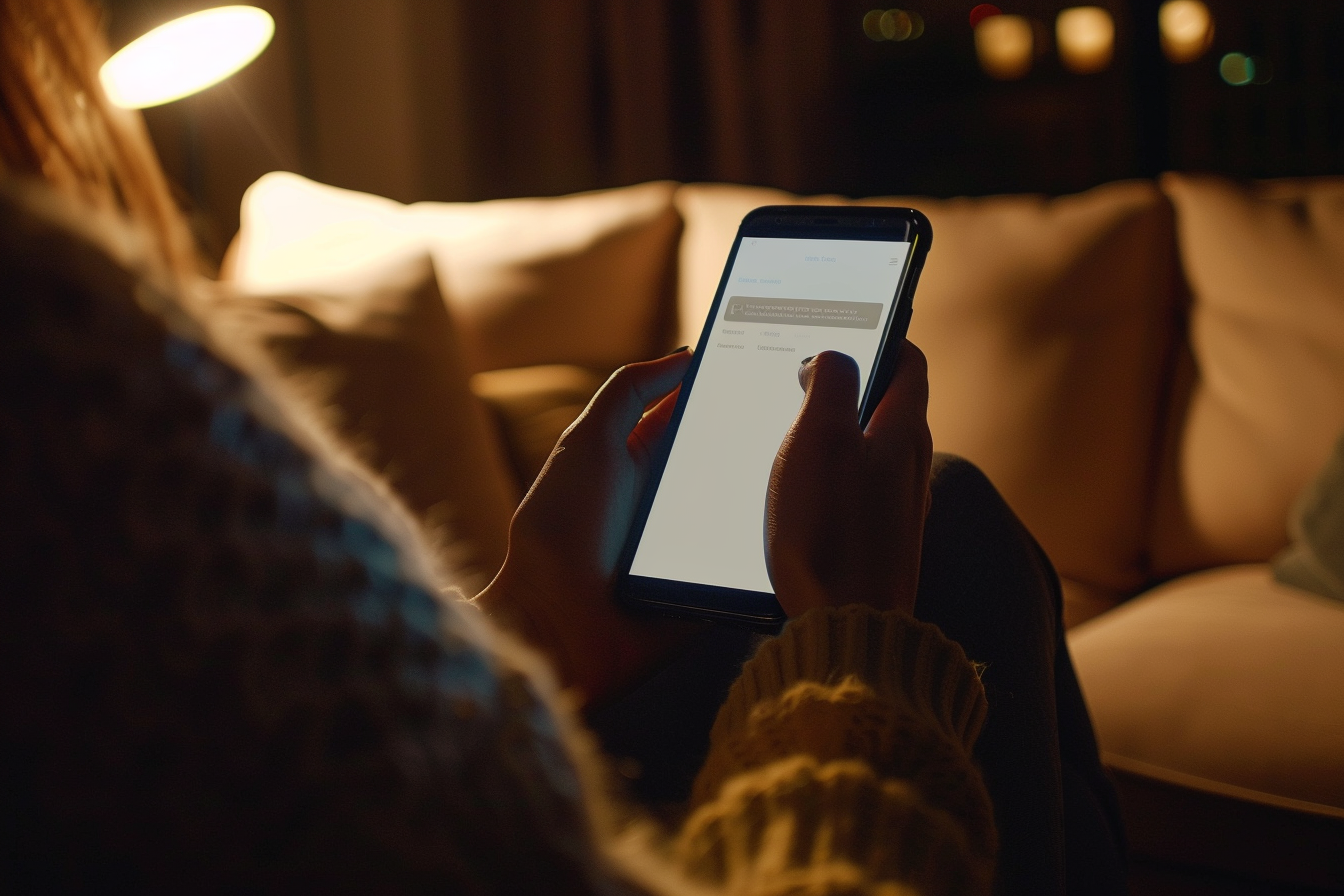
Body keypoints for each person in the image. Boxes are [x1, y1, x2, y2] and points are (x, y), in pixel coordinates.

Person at [0, 1, 1126, 892]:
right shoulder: (60, 353)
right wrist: (852, 644)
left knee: (964, 556)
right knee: (955, 527)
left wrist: (535, 618)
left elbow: (269, 754)